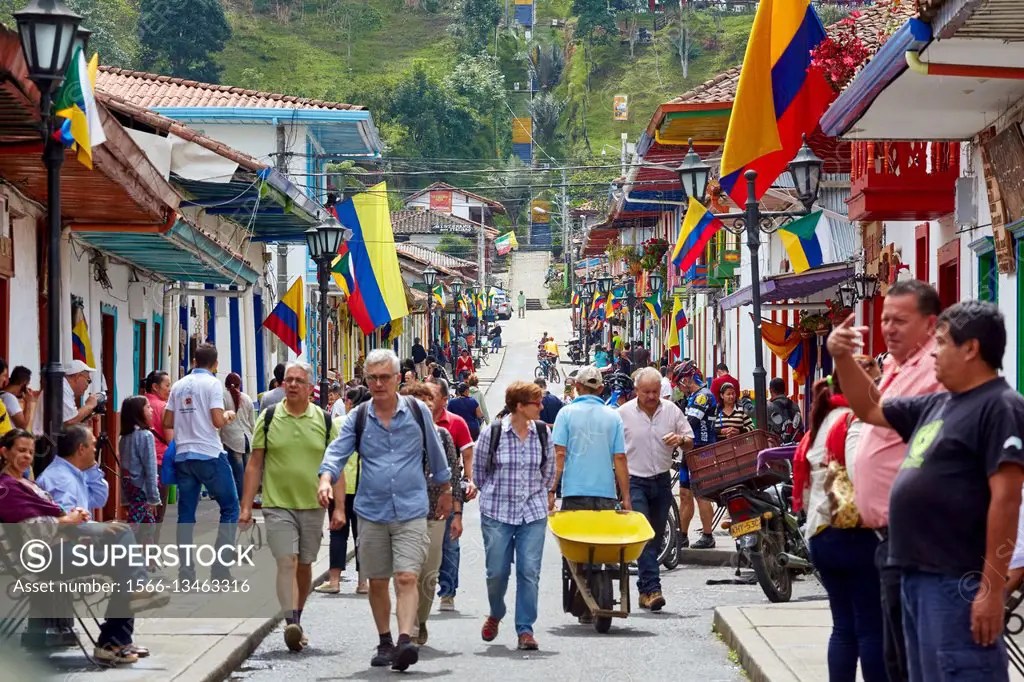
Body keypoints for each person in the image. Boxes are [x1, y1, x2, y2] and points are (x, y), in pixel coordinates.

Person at [830, 299, 1024, 682]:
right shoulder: (938, 404)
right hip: (915, 576)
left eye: (943, 343)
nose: (933, 353)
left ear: (971, 349)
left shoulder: (1000, 407)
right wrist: (842, 358)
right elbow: (871, 408)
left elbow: (1007, 500)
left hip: (957, 582)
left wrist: (991, 586)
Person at [825, 279, 942, 682]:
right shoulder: (895, 364)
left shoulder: (936, 369)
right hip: (889, 538)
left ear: (930, 324)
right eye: (886, 319)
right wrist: (841, 359)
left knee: (914, 660)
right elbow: (870, 406)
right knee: (895, 658)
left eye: (900, 320)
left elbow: (877, 413)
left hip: (923, 539)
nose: (888, 328)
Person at [317, 349, 452, 672]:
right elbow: (337, 452)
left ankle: (406, 640)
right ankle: (385, 640)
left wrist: (447, 491)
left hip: (411, 509)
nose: (378, 384)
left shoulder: (418, 411)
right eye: (372, 378)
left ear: (396, 379)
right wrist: (325, 479)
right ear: (367, 380)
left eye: (384, 377)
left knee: (406, 576)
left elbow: (436, 454)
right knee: (377, 581)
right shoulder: (359, 416)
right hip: (371, 511)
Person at [0, 429, 158, 664]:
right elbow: (32, 528)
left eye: (31, 452)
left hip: (60, 548)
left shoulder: (24, 483)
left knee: (123, 540)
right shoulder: (6, 488)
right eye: (21, 451)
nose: (27, 457)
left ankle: (120, 632)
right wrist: (68, 520)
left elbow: (59, 513)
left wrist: (75, 518)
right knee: (124, 562)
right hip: (44, 557)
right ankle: (116, 635)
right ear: (4, 452)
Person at [793, 364, 886, 682]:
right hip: (855, 536)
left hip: (822, 534)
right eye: (873, 381)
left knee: (844, 626)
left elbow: (806, 487)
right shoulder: (854, 421)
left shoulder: (820, 422)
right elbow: (862, 476)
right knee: (872, 627)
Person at [240, 362, 338, 652]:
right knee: (287, 561)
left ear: (310, 388)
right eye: (288, 380)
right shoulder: (268, 418)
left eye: (299, 381)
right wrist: (246, 506)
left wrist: (339, 507)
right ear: (282, 384)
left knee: (305, 564)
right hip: (276, 504)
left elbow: (336, 465)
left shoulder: (324, 420)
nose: (293, 384)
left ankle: (297, 616)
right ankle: (290, 620)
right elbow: (255, 464)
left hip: (312, 504)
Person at [475, 381, 554, 650]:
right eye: (537, 402)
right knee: (496, 572)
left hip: (532, 513)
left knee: (529, 571)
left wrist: (539, 496)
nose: (542, 407)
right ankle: (496, 612)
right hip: (497, 513)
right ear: (519, 406)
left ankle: (525, 629)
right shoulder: (493, 433)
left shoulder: (543, 433)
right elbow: (479, 474)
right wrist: (492, 496)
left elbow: (548, 472)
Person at [620, 368, 693, 612]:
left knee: (658, 535)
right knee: (645, 535)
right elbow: (615, 452)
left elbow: (690, 438)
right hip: (635, 480)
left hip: (661, 480)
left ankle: (644, 589)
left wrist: (680, 440)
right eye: (646, 392)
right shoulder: (623, 414)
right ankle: (653, 589)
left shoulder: (671, 411)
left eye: (655, 391)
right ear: (637, 391)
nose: (652, 396)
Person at [163, 343, 238, 580]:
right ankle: (220, 569)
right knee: (230, 507)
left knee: (186, 516)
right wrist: (227, 415)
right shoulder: (213, 384)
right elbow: (217, 420)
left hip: (183, 455)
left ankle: (186, 573)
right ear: (215, 364)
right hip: (209, 454)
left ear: (194, 361)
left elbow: (167, 420)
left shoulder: (178, 385)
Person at [398, 382, 463, 647]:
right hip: (401, 514)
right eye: (417, 401)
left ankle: (420, 619)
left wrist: (457, 513)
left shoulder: (442, 436)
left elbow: (454, 477)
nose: (424, 405)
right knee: (405, 573)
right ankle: (408, 625)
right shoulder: (395, 437)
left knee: (428, 574)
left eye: (427, 401)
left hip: (434, 512)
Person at [315, 385, 371, 596]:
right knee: (362, 535)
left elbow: (328, 454)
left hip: (338, 486)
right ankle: (363, 582)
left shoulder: (337, 423)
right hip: (364, 487)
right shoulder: (370, 424)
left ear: (348, 402)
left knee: (338, 533)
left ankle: (335, 580)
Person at [427, 378, 476, 613]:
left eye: (431, 396)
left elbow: (467, 454)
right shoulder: (412, 422)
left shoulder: (455, 424)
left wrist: (470, 480)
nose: (426, 400)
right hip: (419, 495)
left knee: (449, 544)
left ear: (444, 400)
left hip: (448, 491)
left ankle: (447, 592)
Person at [673, 361, 717, 550]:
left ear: (688, 379)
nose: (679, 388)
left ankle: (708, 535)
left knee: (702, 494)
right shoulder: (693, 397)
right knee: (684, 493)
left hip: (703, 450)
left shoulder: (703, 397)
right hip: (689, 450)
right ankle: (682, 535)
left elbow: (690, 422)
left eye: (679, 384)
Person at [37, 423, 109, 514]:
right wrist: (102, 528)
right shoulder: (61, 479)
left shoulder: (74, 472)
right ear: (81, 449)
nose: (95, 450)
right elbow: (68, 523)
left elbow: (99, 499)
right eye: (93, 445)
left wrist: (91, 468)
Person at [117, 396, 161, 538]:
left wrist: (124, 499)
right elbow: (150, 468)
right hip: (141, 490)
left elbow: (123, 468)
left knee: (148, 525)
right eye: (147, 407)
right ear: (138, 412)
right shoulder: (145, 435)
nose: (151, 410)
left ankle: (149, 557)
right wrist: (153, 497)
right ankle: (122, 552)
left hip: (129, 487)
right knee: (134, 527)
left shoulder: (124, 438)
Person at [222, 372, 255, 500]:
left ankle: (242, 501)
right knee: (247, 473)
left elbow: (220, 420)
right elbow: (252, 423)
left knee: (238, 475)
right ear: (239, 384)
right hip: (247, 439)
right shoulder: (247, 398)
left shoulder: (223, 397)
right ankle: (248, 499)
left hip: (232, 440)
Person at [63, 359, 100, 427]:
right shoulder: (62, 388)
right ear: (77, 377)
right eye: (88, 380)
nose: (87, 384)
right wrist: (89, 405)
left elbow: (68, 420)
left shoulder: (66, 389)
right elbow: (70, 421)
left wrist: (86, 415)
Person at [1, 365, 39, 431]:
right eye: (27, 385)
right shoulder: (10, 398)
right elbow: (22, 426)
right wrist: (28, 402)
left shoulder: (2, 395)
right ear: (23, 384)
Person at [766, 377, 802, 444]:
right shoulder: (795, 405)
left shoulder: (769, 407)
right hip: (794, 446)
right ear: (784, 389)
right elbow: (800, 426)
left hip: (776, 448)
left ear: (771, 390)